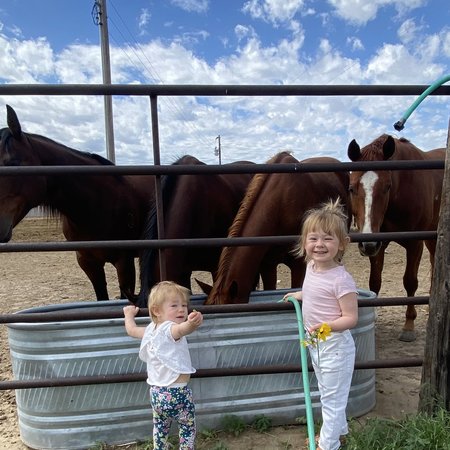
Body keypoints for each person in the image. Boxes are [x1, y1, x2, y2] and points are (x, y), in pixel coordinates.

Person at [284, 198, 358, 450]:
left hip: (334, 346)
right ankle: (340, 432)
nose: (319, 244)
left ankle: (327, 445)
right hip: (316, 342)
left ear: (342, 244)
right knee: (328, 391)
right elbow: (314, 291)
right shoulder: (311, 267)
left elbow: (350, 318)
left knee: (331, 398)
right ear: (304, 243)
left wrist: (326, 325)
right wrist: (300, 295)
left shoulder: (342, 280)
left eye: (328, 238)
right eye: (313, 238)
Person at [123, 280, 203, 450]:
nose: (181, 309)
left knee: (160, 427)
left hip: (156, 394)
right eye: (174, 305)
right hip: (177, 393)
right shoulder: (170, 329)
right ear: (157, 311)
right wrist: (192, 323)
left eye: (184, 305)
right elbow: (182, 330)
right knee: (187, 427)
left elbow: (131, 330)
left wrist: (129, 315)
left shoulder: (151, 329)